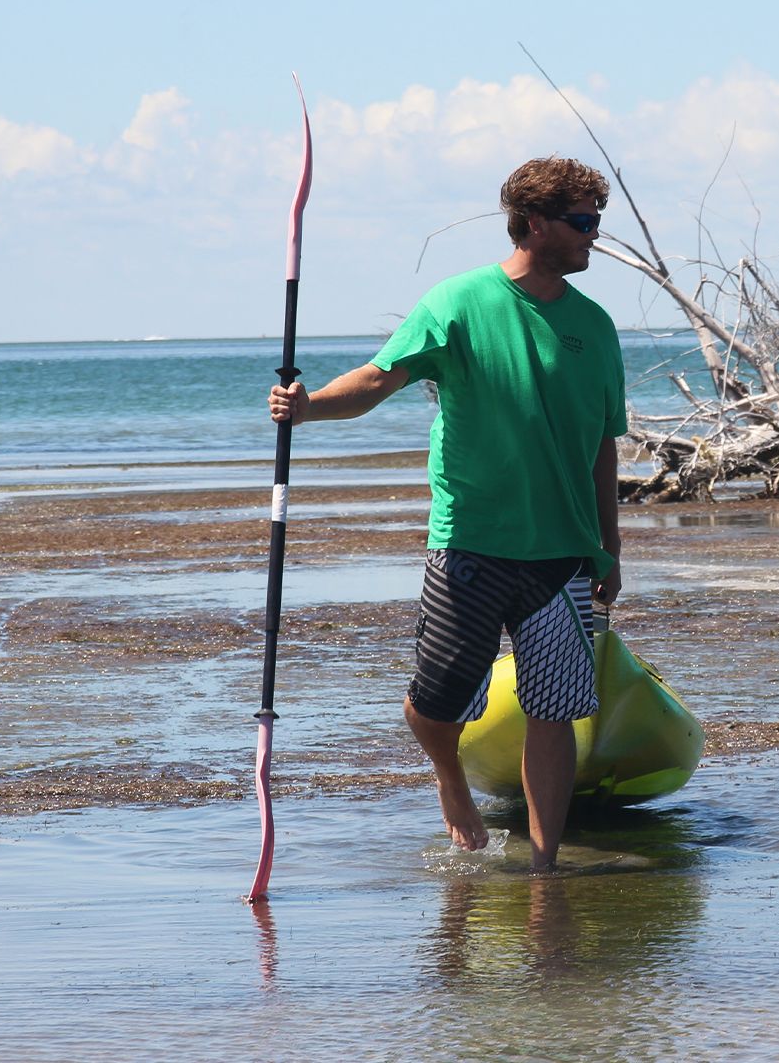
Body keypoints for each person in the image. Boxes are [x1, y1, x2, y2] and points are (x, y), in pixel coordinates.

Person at [268, 157, 626, 871]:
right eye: (582, 222)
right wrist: (309, 408)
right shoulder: (458, 303)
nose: (594, 237)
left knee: (553, 712)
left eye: (597, 221)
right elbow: (379, 378)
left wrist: (609, 547)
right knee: (436, 706)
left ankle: (544, 870)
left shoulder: (595, 327)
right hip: (472, 542)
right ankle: (450, 777)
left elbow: (602, 451)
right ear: (533, 224)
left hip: (563, 555)